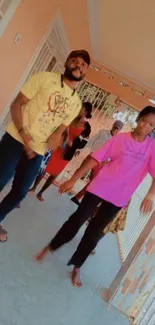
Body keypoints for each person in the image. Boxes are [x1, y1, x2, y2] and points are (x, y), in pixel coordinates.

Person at [35, 106, 155, 287]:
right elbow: (95, 158)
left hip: (119, 197)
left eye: (151, 124)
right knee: (77, 219)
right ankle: (51, 247)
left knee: (95, 232)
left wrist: (150, 196)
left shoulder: (152, 148)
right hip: (100, 187)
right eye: (145, 120)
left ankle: (77, 266)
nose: (146, 126)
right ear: (139, 118)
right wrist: (73, 179)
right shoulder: (120, 139)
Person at [0, 49, 90, 242]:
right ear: (67, 63)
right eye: (75, 61)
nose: (78, 66)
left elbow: (59, 130)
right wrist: (26, 138)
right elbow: (16, 105)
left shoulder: (76, 103)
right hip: (16, 138)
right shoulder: (44, 78)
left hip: (38, 150)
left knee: (21, 192)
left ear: (85, 72)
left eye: (83, 65)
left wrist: (53, 142)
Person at [33, 122, 91, 202]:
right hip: (58, 148)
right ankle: (34, 187)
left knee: (54, 175)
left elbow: (83, 144)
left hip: (67, 154)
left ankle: (40, 192)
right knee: (45, 168)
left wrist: (74, 144)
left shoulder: (87, 128)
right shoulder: (72, 121)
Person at [71, 120, 123, 205]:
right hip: (92, 157)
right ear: (113, 125)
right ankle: (69, 186)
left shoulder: (117, 140)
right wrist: (81, 149)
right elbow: (91, 141)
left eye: (118, 129)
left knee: (93, 182)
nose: (116, 129)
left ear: (120, 130)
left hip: (101, 163)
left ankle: (77, 197)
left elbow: (114, 154)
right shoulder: (103, 132)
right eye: (115, 127)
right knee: (79, 172)